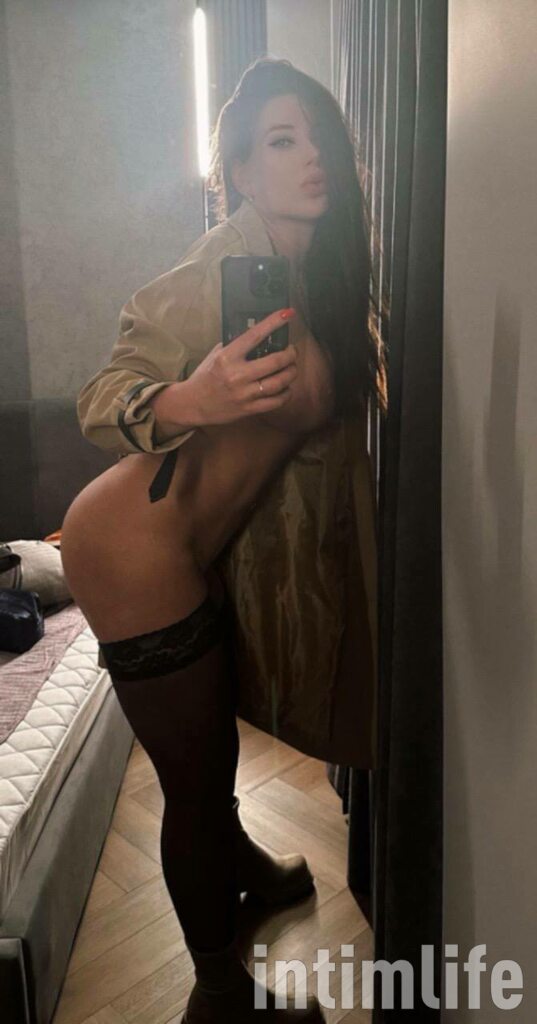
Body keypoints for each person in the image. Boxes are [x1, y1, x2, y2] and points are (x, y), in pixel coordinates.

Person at [61, 58, 387, 1023]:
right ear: (240, 171)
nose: (311, 157)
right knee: (194, 784)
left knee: (208, 750)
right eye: (281, 141)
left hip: (190, 543)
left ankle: (241, 863)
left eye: (320, 137)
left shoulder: (321, 271)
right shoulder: (219, 269)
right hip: (130, 549)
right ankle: (217, 996)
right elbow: (101, 397)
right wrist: (186, 399)